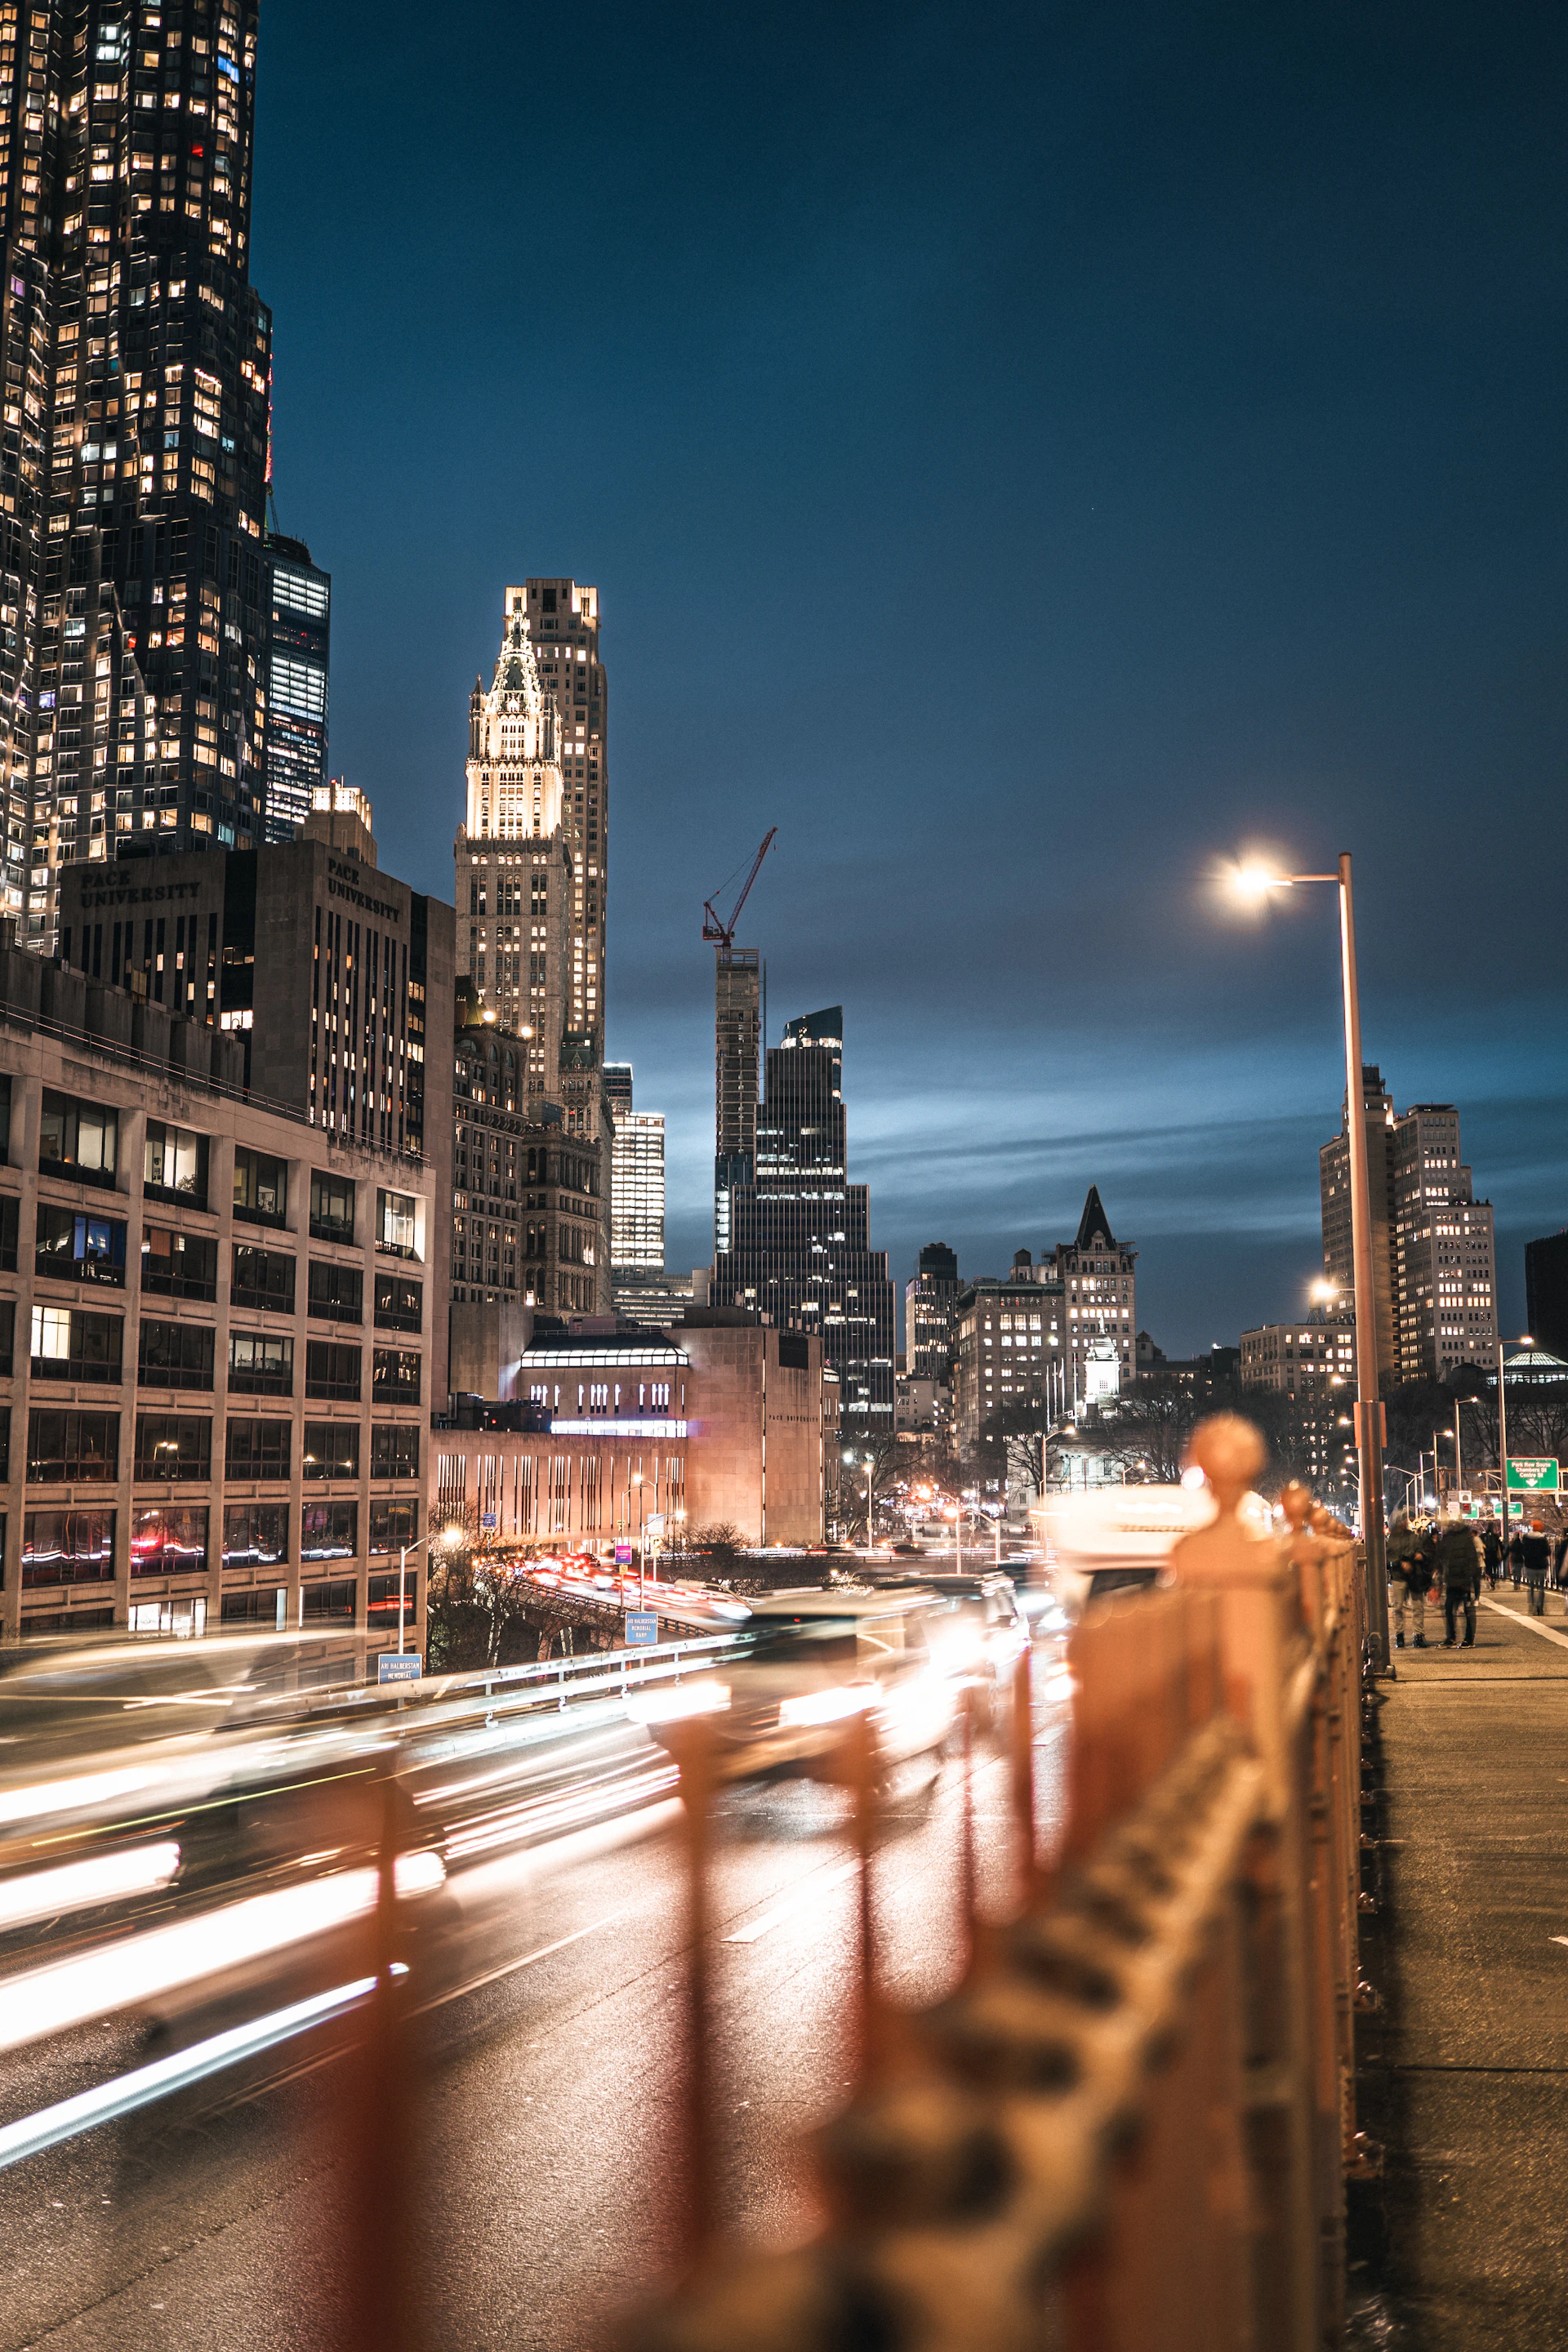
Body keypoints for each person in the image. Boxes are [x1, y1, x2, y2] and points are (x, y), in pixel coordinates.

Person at [1388, 1512, 1432, 1649]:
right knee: (1398, 1607)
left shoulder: (1413, 1537)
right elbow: (1390, 1555)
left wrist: (1420, 1555)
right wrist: (1401, 1563)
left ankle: (1418, 1634)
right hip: (1399, 1575)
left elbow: (1422, 1551)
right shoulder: (1391, 1538)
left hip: (1414, 1576)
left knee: (1417, 1607)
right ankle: (1399, 1634)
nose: (1403, 1522)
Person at [1437, 1515, 1483, 1647]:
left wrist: (1469, 1578)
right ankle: (1454, 1637)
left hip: (1462, 1581)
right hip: (1453, 1580)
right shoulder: (1450, 1539)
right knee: (1450, 1609)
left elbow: (1471, 1560)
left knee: (1463, 1610)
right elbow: (1440, 1556)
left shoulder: (1460, 1539)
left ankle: (1466, 1639)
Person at [1510, 1519, 1551, 1617]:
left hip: (1530, 1564)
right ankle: (1540, 1608)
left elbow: (1523, 1550)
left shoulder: (1526, 1538)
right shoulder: (1543, 1538)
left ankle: (1532, 1607)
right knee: (1541, 1587)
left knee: (1531, 1586)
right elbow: (1547, 1552)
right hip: (1541, 1565)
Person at [1480, 1518, 1502, 1591]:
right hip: (1494, 1555)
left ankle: (1491, 1582)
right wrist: (1500, 1554)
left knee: (1488, 1570)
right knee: (1495, 1569)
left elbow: (1481, 1545)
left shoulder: (1483, 1536)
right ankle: (1494, 1580)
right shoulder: (1496, 1536)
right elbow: (1499, 1546)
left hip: (1487, 1555)